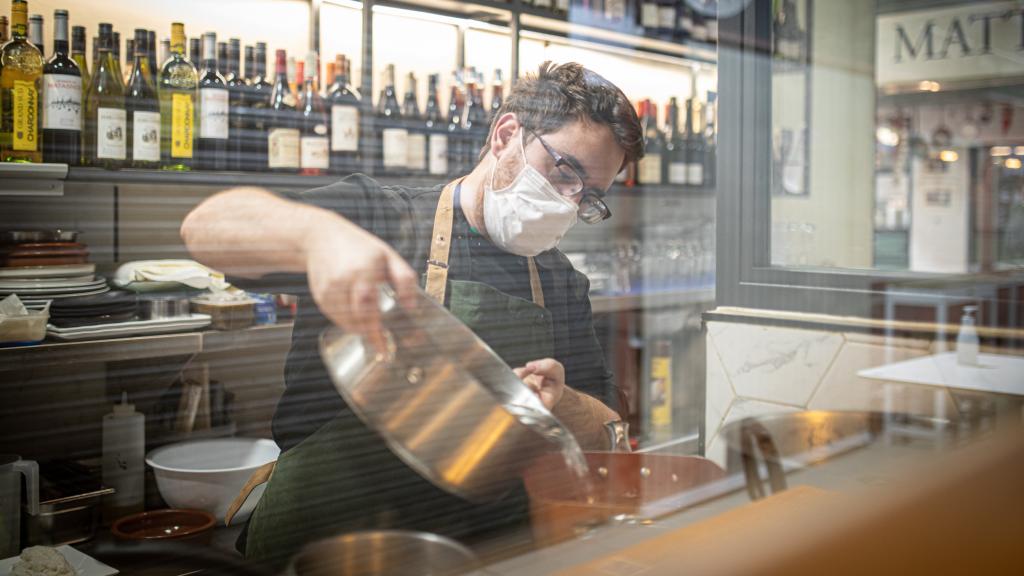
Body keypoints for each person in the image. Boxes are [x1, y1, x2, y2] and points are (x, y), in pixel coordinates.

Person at [180, 61, 644, 567]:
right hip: (331, 546)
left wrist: (561, 404)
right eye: (563, 172)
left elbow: (608, 431)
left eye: (588, 197)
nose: (568, 203)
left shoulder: (560, 279)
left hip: (485, 552)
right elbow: (206, 227)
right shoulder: (381, 216)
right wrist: (317, 237)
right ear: (506, 135)